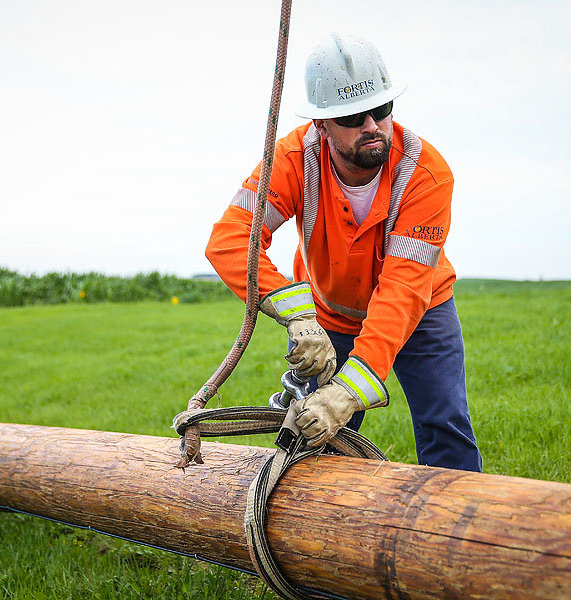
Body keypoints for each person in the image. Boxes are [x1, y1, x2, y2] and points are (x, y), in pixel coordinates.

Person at [205, 33, 482, 472]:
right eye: (352, 116)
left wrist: (348, 392)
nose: (372, 125)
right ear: (322, 125)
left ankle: (457, 513)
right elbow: (231, 239)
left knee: (444, 422)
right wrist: (297, 315)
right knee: (316, 440)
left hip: (422, 311)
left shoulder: (425, 174)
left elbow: (401, 292)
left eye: (382, 109)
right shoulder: (293, 160)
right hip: (328, 316)